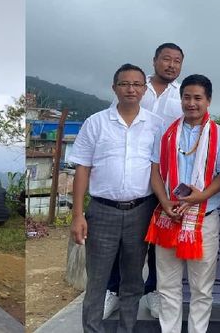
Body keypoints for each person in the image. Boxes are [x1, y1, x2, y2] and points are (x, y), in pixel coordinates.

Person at [68, 64, 164, 333]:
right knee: (97, 281)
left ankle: (126, 328)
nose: (131, 89)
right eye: (124, 84)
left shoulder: (156, 126)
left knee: (133, 280)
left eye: (136, 84)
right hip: (102, 211)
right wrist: (78, 215)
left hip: (141, 211)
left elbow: (159, 169)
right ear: (114, 88)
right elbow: (82, 168)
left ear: (144, 90)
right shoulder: (96, 123)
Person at [145, 74, 220, 333]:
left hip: (204, 217)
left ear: (208, 101)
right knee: (167, 286)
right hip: (169, 215)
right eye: (186, 97)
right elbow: (155, 170)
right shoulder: (166, 131)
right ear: (180, 99)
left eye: (197, 98)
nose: (191, 103)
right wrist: (164, 201)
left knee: (202, 288)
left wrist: (201, 196)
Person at [106, 42, 184, 319]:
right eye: (166, 59)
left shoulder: (182, 94)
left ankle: (152, 291)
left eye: (177, 61)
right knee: (123, 240)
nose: (171, 65)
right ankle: (113, 290)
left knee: (159, 239)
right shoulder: (138, 87)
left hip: (165, 178)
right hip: (132, 178)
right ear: (154, 61)